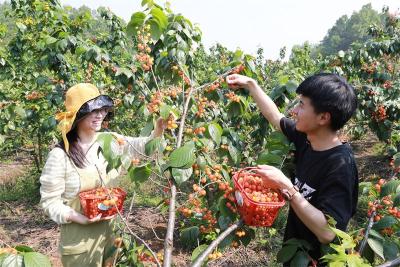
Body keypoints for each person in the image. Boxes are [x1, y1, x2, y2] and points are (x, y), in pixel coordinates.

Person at [226, 73, 358, 264]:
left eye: (302, 105)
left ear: (323, 117)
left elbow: (328, 233)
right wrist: (251, 85)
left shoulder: (340, 166)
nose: (294, 111)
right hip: (295, 251)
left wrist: (286, 186)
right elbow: (275, 117)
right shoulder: (307, 138)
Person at [39, 83, 166, 267]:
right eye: (92, 111)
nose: (100, 115)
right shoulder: (60, 155)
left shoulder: (110, 141)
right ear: (78, 116)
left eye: (103, 109)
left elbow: (144, 147)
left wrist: (159, 129)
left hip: (110, 234)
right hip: (79, 241)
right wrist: (80, 218)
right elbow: (50, 202)